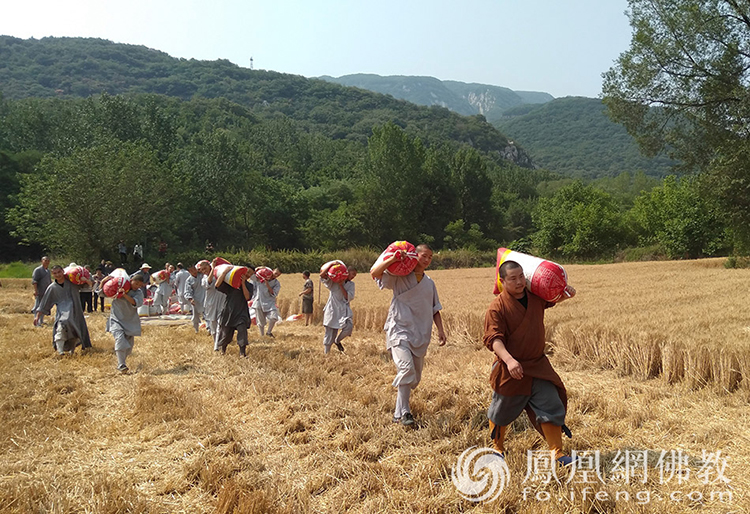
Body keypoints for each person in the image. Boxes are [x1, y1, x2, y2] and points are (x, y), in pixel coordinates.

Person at [483, 260, 576, 465]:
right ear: (502, 281)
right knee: (501, 410)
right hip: (511, 368)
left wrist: (564, 294)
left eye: (521, 277)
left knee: (551, 403)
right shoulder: (496, 307)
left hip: (537, 365)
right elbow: (494, 339)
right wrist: (509, 361)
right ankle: (497, 447)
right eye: (513, 279)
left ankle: (557, 453)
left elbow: (550, 301)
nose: (519, 282)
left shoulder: (534, 297)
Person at [370, 244, 446, 427]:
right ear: (414, 255)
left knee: (414, 379)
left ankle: (398, 415)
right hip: (399, 328)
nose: (427, 260)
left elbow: (434, 308)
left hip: (420, 332)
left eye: (430, 257)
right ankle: (405, 412)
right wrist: (394, 259)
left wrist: (441, 330)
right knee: (406, 370)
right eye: (424, 256)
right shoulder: (399, 277)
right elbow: (375, 273)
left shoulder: (429, 283)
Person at [34, 265, 93, 355]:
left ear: (63, 272)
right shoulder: (52, 288)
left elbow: (90, 285)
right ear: (52, 274)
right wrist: (37, 317)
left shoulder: (73, 283)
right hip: (62, 312)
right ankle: (60, 351)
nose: (58, 275)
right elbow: (44, 303)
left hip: (76, 311)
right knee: (61, 328)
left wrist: (85, 280)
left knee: (75, 331)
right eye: (55, 273)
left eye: (59, 272)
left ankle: (71, 350)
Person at [101, 272, 144, 373]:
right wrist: (103, 282)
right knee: (120, 339)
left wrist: (124, 294)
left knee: (128, 346)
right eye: (136, 283)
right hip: (116, 319)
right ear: (131, 280)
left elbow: (135, 302)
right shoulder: (119, 286)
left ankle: (122, 360)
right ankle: (121, 365)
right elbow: (103, 293)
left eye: (139, 285)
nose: (137, 286)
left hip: (129, 320)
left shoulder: (138, 292)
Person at [214, 260, 254, 356]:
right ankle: (222, 350)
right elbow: (217, 285)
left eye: (251, 274)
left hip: (241, 312)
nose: (248, 275)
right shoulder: (231, 283)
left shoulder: (250, 285)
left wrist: (243, 283)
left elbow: (247, 297)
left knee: (242, 331)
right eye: (247, 272)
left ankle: (242, 353)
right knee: (226, 334)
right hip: (229, 310)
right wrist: (225, 272)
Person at [319, 264, 357, 353]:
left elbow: (348, 297)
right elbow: (322, 276)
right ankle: (326, 353)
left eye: (354, 275)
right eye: (352, 274)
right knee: (330, 332)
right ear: (347, 272)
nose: (353, 277)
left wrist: (341, 285)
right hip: (332, 308)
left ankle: (337, 340)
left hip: (344, 309)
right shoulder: (333, 281)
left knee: (349, 327)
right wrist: (332, 264)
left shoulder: (351, 285)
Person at [200, 260, 226, 349]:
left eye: (205, 268)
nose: (204, 271)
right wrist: (212, 269)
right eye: (202, 270)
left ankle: (217, 346)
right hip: (210, 304)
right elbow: (209, 282)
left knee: (220, 324)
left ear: (209, 266)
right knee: (213, 326)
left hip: (221, 301)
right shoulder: (204, 278)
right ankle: (216, 341)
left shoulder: (218, 273)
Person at [252, 268, 281, 337]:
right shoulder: (259, 278)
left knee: (274, 317)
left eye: (278, 275)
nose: (276, 275)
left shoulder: (276, 283)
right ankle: (262, 335)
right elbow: (251, 276)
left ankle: (268, 332)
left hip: (270, 302)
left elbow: (274, 293)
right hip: (259, 301)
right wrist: (257, 269)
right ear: (272, 271)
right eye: (276, 273)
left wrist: (267, 284)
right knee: (260, 322)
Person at [184, 264, 206, 334]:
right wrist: (190, 299)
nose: (194, 271)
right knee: (195, 316)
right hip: (195, 300)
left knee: (208, 315)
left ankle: (210, 329)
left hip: (205, 298)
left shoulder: (202, 276)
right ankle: (196, 330)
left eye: (195, 269)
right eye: (192, 270)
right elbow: (187, 291)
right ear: (189, 271)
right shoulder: (189, 280)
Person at [31, 256, 51, 326]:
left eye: (48, 261)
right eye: (45, 260)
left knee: (44, 307)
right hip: (40, 291)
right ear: (42, 261)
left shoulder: (48, 271)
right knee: (38, 306)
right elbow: (34, 281)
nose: (47, 262)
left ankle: (41, 320)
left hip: (46, 292)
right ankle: (36, 322)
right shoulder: (38, 270)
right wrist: (36, 291)